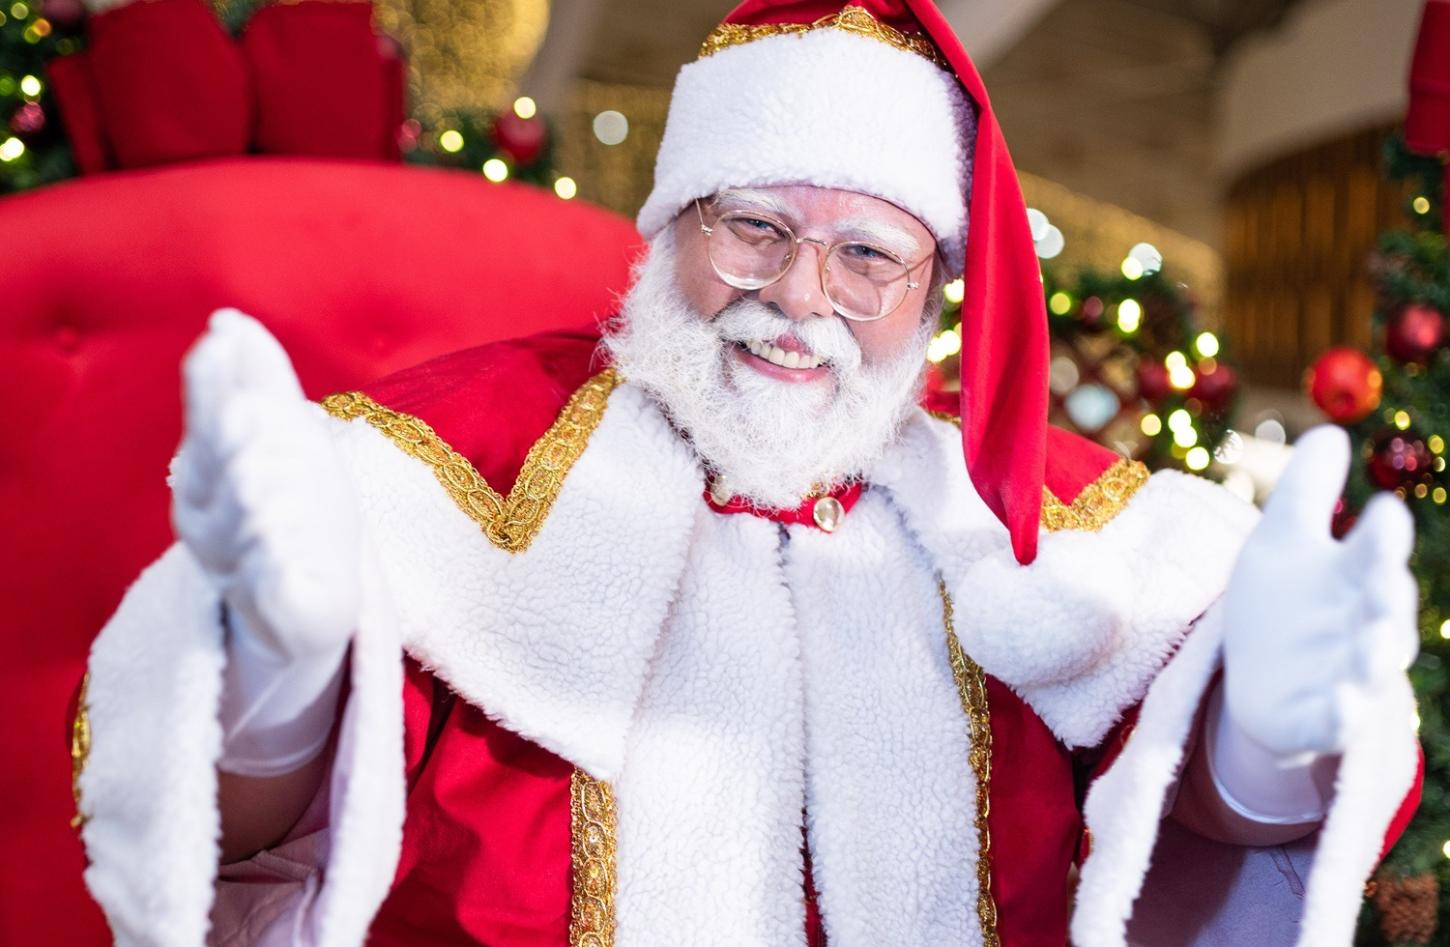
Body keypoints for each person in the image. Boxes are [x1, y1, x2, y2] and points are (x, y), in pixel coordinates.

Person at [72, 1, 1423, 945]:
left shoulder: (1037, 518)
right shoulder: (446, 463)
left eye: (866, 257)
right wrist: (282, 672)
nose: (797, 296)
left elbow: (1189, 843)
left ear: (933, 292)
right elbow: (241, 842)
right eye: (755, 228)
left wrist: (1262, 739)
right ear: (669, 232)